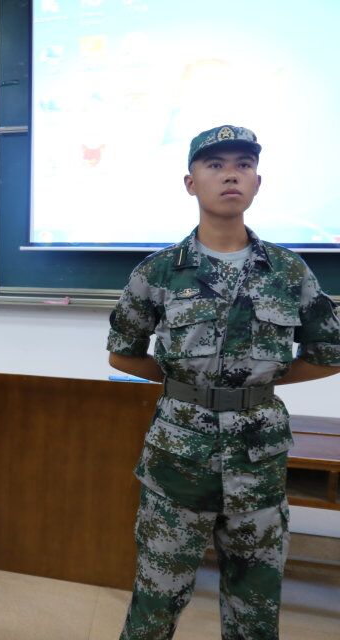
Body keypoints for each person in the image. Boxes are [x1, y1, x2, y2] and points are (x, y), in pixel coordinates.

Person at [107, 125, 340, 639]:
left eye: (243, 165)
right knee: (155, 601)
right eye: (215, 165)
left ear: (257, 182)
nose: (230, 174)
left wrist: (258, 383)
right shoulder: (158, 272)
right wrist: (186, 383)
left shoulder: (289, 272)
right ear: (191, 183)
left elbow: (329, 353)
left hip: (258, 461)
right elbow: (123, 354)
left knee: (254, 609)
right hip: (178, 461)